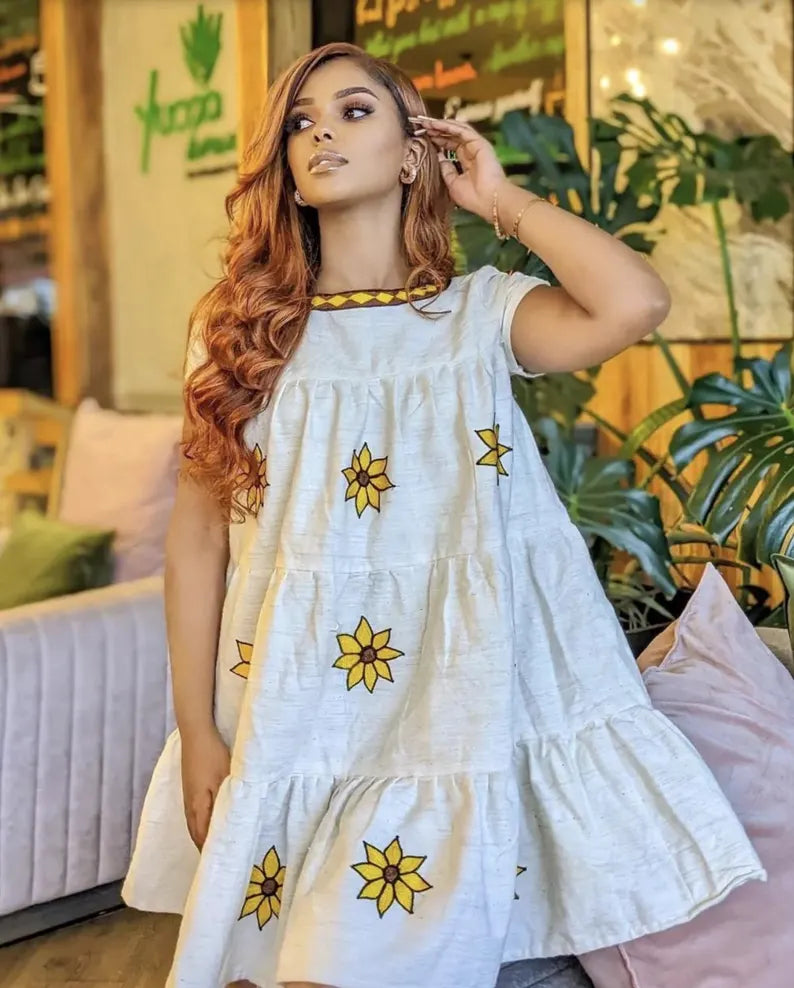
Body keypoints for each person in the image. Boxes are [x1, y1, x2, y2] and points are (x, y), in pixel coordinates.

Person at [122, 42, 764, 988]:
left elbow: (636, 301)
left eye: (353, 113)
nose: (321, 136)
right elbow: (196, 539)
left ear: (415, 151)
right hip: (293, 715)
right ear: (287, 175)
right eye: (301, 123)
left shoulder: (480, 315)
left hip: (444, 719)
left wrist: (501, 202)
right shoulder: (240, 333)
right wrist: (199, 732)